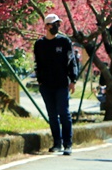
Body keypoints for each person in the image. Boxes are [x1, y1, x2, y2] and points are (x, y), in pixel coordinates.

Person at [33, 13, 78, 156]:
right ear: (46, 26)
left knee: (64, 113)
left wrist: (73, 80)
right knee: (52, 115)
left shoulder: (64, 42)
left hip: (61, 84)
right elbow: (37, 64)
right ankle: (56, 143)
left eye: (58, 24)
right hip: (46, 85)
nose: (57, 27)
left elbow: (72, 62)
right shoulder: (39, 44)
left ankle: (68, 144)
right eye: (54, 24)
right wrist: (39, 80)